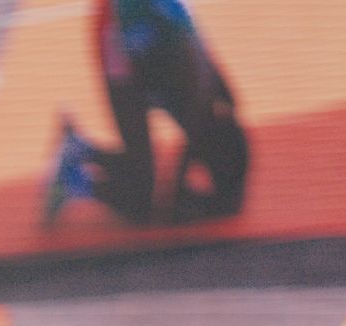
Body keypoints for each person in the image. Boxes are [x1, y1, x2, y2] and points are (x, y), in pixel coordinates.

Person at [44, 0, 248, 228]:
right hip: (124, 67)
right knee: (142, 202)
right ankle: (75, 181)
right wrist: (177, 186)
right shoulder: (166, 48)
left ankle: (81, 149)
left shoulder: (188, 53)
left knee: (157, 167)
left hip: (155, 54)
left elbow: (219, 96)